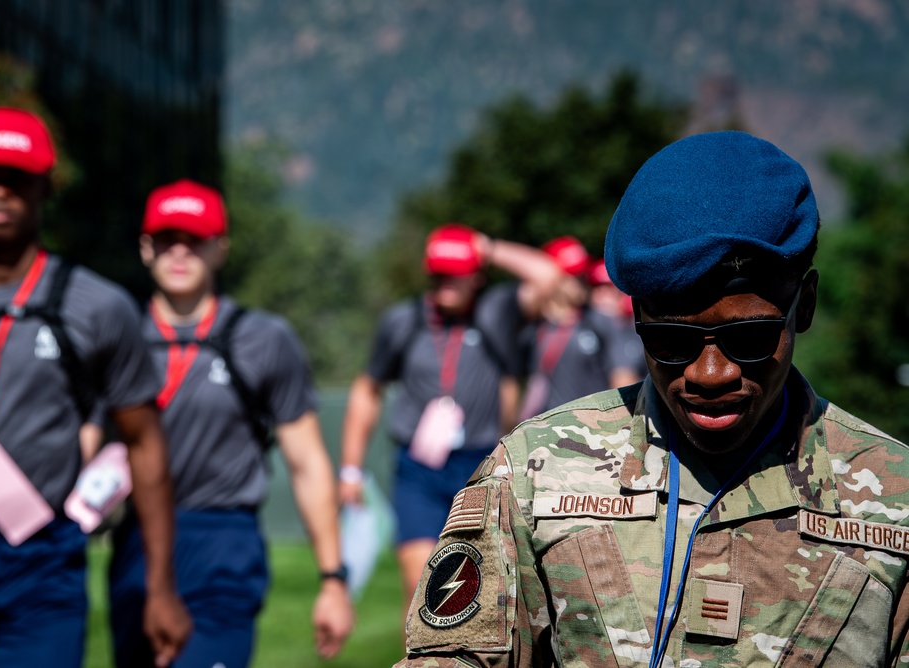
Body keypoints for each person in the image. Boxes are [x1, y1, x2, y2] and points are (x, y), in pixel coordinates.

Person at [394, 131, 909, 667]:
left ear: (805, 305)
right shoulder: (535, 476)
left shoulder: (895, 501)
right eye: (672, 341)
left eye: (750, 339)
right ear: (636, 320)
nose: (712, 374)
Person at [0, 107, 191, 667]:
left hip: (42, 559)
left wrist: (160, 585)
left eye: (15, 179)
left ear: (44, 189)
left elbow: (145, 444)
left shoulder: (100, 307)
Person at [108, 179, 354, 667]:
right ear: (144, 247)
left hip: (223, 541)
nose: (179, 251)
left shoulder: (264, 339)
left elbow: (306, 464)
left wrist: (333, 579)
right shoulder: (116, 333)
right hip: (136, 543)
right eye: (165, 238)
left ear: (220, 249)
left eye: (194, 239)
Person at [339, 223, 561, 606]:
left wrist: (487, 247)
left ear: (476, 276)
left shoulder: (498, 313)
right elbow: (366, 389)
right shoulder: (403, 320)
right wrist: (351, 469)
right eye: (438, 274)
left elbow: (549, 275)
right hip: (418, 467)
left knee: (478, 588)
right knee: (420, 582)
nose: (445, 283)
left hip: (479, 466)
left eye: (455, 275)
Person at [517, 236, 641, 422]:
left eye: (581, 273)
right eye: (571, 275)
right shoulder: (534, 325)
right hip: (542, 432)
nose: (581, 280)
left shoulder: (600, 321)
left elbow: (623, 379)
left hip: (588, 433)